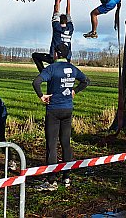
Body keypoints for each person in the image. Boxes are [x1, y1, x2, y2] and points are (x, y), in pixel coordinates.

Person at [32, 43, 90, 191]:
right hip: (67, 109)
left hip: (53, 110)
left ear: (56, 54)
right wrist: (75, 91)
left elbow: (36, 82)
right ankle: (66, 177)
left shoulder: (51, 68)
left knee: (51, 146)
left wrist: (41, 96)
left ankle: (51, 181)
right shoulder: (72, 68)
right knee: (66, 144)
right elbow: (86, 81)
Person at [32, 0, 73, 72]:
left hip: (55, 58)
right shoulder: (70, 28)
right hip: (66, 59)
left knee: (35, 55)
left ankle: (43, 73)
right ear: (66, 21)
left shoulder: (57, 27)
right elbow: (68, 13)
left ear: (59, 21)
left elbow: (56, 11)